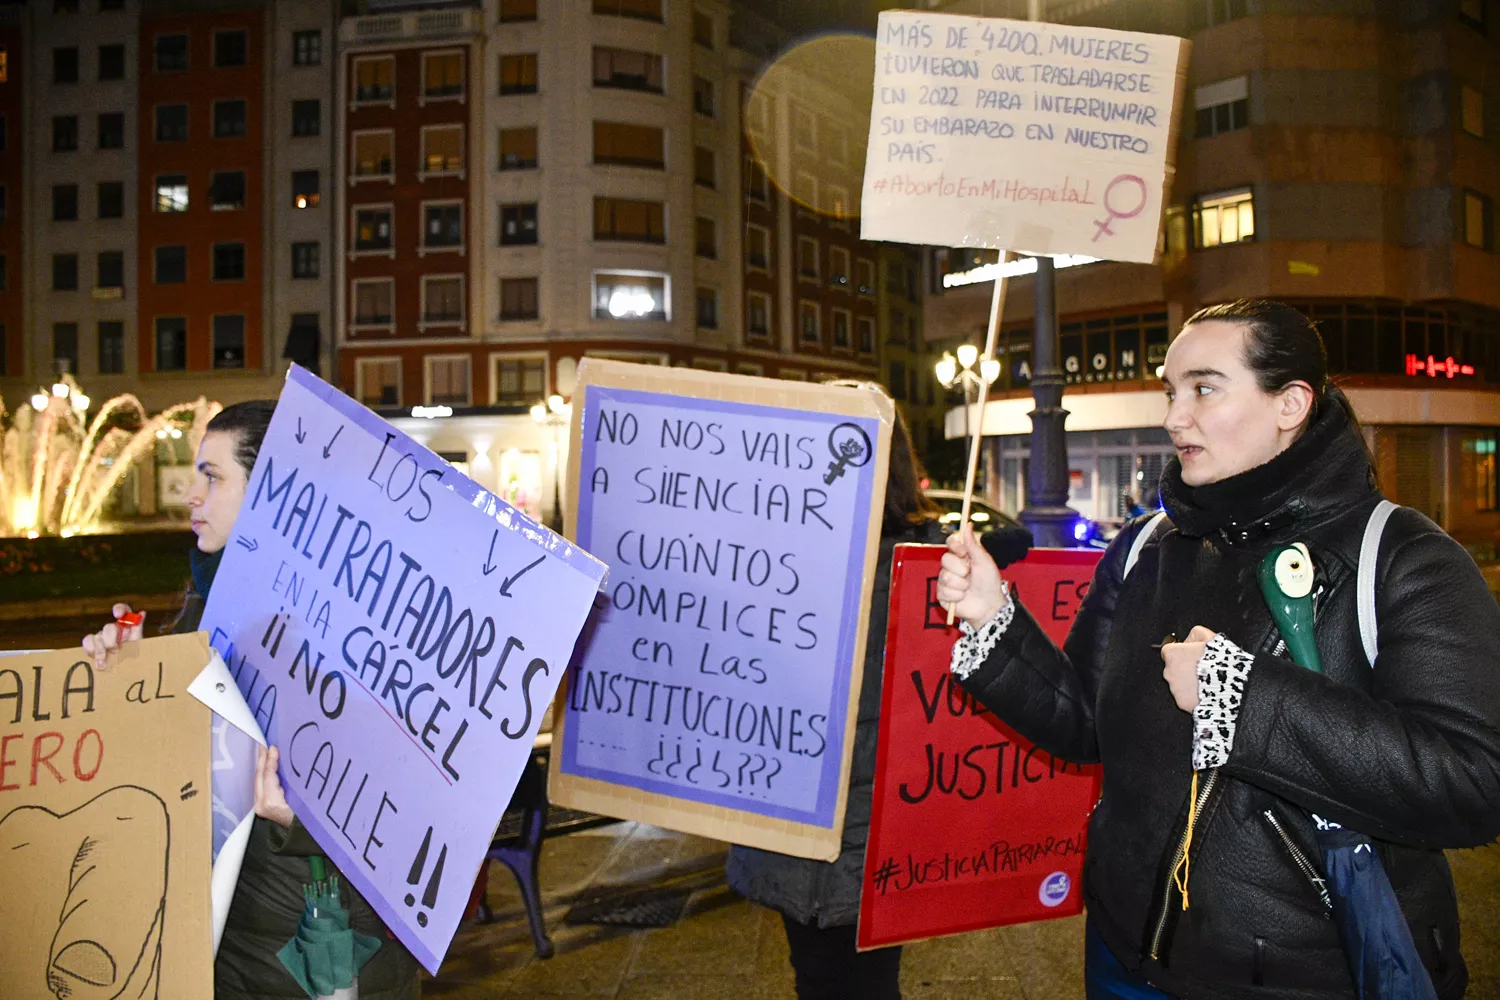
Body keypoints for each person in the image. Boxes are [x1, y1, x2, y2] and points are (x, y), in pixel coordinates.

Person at [937, 300, 1500, 1000]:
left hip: (1307, 978)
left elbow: (1473, 782)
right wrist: (995, 616)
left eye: (1204, 389)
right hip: (1124, 957)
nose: (1175, 418)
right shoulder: (1147, 547)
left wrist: (1246, 702)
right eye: (1172, 392)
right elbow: (1084, 723)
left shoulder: (1404, 557)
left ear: (1290, 402)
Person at [83, 400, 422, 1000]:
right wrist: (126, 675)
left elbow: (411, 810)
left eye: (212, 477)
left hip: (309, 949)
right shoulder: (206, 601)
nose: (190, 495)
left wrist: (304, 822)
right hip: (224, 937)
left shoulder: (360, 624)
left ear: (271, 492)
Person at [726, 383, 1032, 1000]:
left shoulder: (768, 562)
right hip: (882, 834)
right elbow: (1018, 544)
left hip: (811, 819)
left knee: (822, 977)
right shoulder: (926, 568)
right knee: (861, 979)